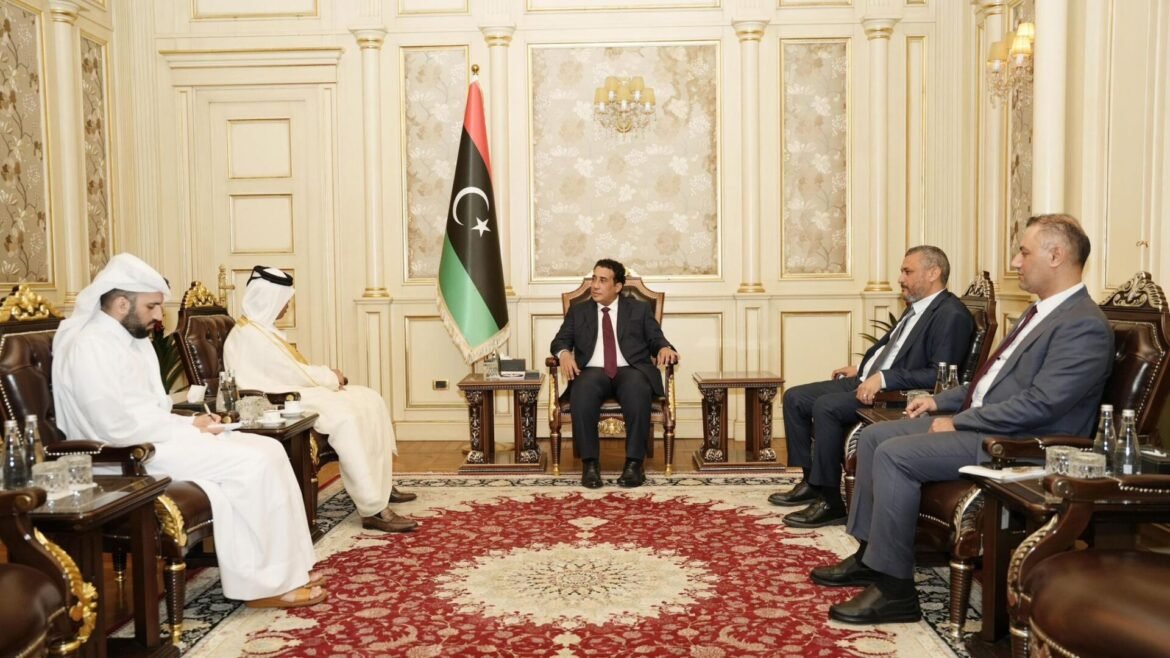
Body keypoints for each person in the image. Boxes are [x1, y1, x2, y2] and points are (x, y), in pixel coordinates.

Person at [811, 214, 1113, 625]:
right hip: (988, 423)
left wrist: (964, 422)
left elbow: (1044, 405)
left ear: (1056, 255)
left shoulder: (1082, 325)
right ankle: (871, 555)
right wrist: (941, 403)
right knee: (873, 436)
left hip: (1020, 441)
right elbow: (988, 381)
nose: (1017, 262)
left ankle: (896, 591)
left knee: (895, 455)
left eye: (1024, 252)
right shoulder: (1038, 313)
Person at [53, 254, 326, 609]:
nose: (157, 316)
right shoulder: (90, 346)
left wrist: (190, 423)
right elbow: (115, 427)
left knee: (269, 450)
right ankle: (264, 588)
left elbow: (149, 410)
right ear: (121, 303)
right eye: (151, 306)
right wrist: (179, 428)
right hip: (126, 457)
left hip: (155, 439)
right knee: (253, 464)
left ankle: (291, 569)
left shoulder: (129, 340)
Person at [770, 246, 974, 529]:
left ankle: (831, 502)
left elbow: (937, 375)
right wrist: (864, 369)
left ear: (933, 272)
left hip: (894, 394)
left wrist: (884, 379)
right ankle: (812, 481)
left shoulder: (951, 314)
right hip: (870, 380)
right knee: (795, 397)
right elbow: (892, 350)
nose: (900, 278)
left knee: (826, 407)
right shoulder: (916, 307)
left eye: (907, 271)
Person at [223, 266, 418, 533]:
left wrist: (328, 378)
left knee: (370, 400)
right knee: (346, 418)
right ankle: (373, 508)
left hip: (293, 390)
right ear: (268, 299)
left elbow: (292, 371)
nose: (287, 306)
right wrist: (331, 377)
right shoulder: (250, 336)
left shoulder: (262, 330)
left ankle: (380, 485)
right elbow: (294, 374)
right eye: (284, 301)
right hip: (274, 401)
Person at [550, 259, 679, 489]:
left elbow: (655, 338)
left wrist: (664, 348)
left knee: (638, 388)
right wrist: (563, 354)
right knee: (582, 389)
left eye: (603, 280)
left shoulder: (638, 309)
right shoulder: (579, 311)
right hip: (592, 370)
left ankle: (633, 465)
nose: (595, 286)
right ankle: (590, 465)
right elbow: (560, 340)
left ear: (618, 286)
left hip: (630, 369)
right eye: (593, 279)